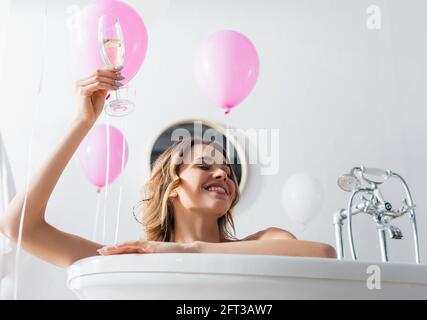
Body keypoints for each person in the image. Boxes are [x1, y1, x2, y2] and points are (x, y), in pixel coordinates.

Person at [0, 67, 336, 268]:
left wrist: (190, 250)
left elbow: (322, 253)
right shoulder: (132, 259)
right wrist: (82, 122)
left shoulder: (266, 240)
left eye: (229, 173)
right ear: (172, 188)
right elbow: (18, 226)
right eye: (205, 166)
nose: (223, 174)